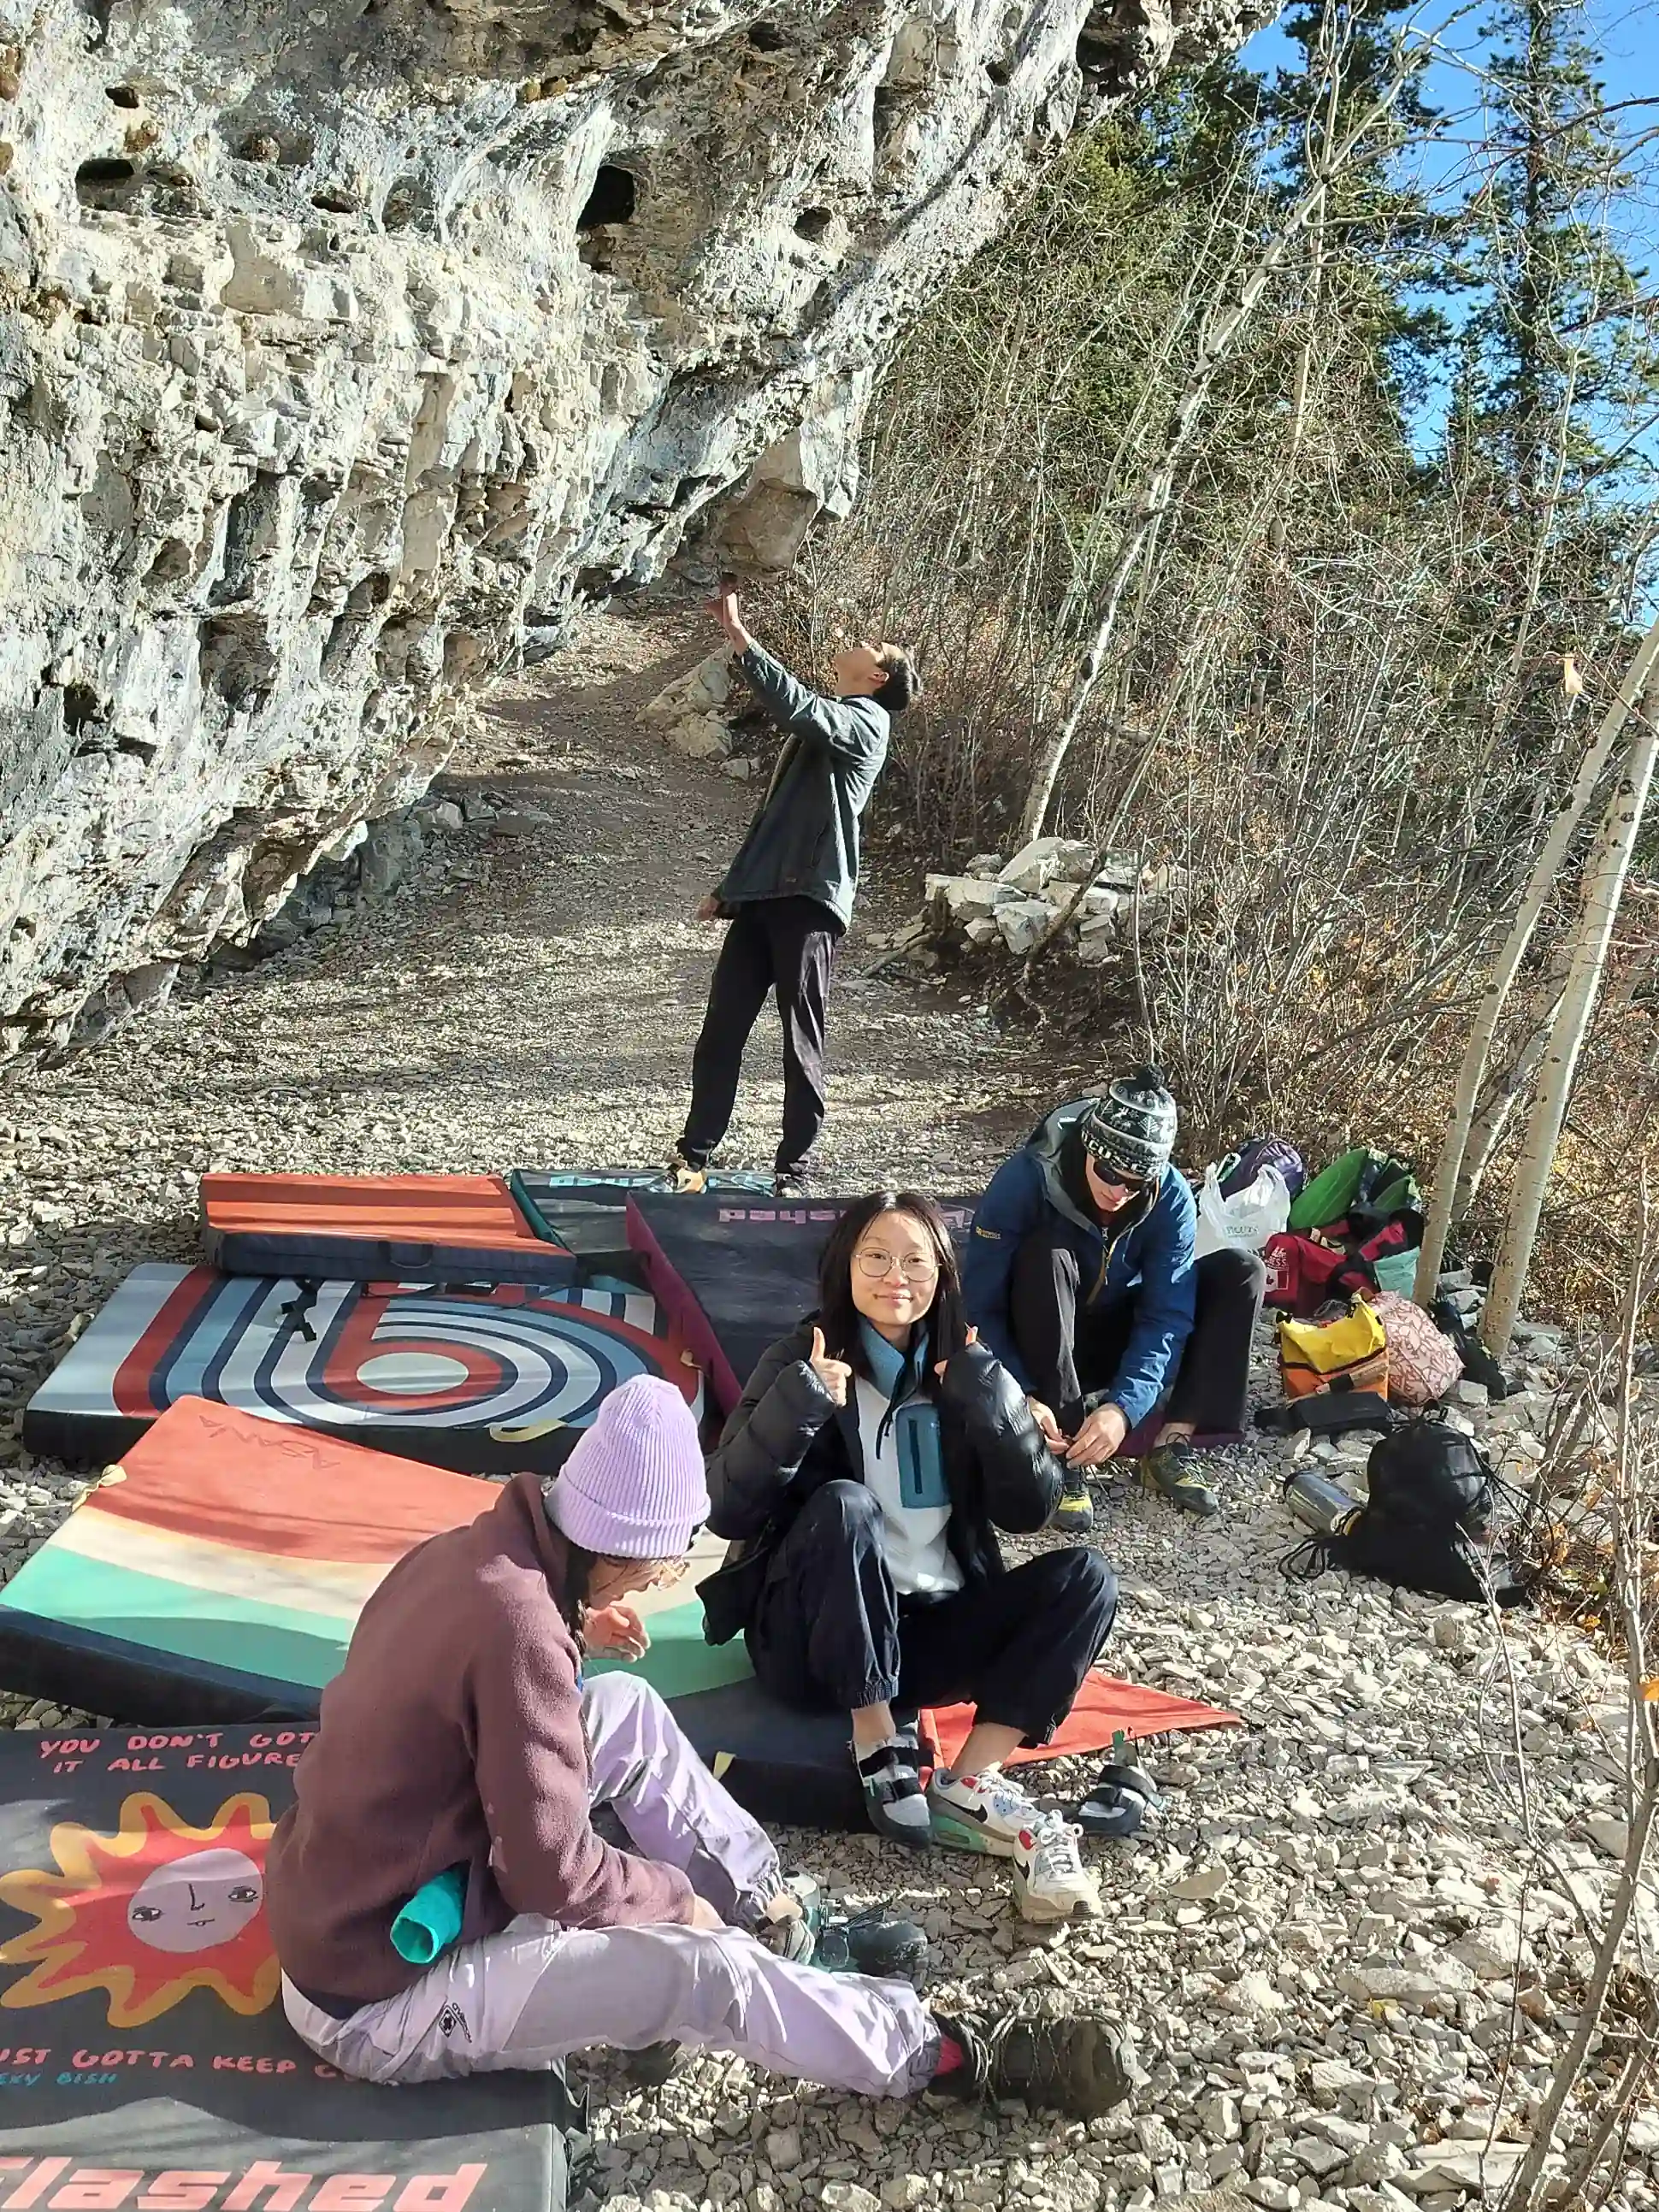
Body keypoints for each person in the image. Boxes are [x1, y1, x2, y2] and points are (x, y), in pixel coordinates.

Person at [265, 1376, 1131, 2118]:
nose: (661, 1579)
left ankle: (775, 1914)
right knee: (702, 1966)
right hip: (378, 1999)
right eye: (666, 1559)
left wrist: (575, 1622)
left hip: (380, 1884)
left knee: (622, 1708)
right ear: (631, 1543)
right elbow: (549, 1875)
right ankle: (940, 2055)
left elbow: (487, 1668)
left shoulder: (476, 1558)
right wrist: (673, 1902)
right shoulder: (519, 1628)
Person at [701, 1191, 1118, 1923]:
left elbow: (1032, 1510)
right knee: (845, 1504)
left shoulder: (968, 1364)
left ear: (942, 1274)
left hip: (926, 1633)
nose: (897, 1276)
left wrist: (993, 1401)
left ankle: (970, 1781)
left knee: (1086, 1577)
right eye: (876, 1257)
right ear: (845, 1268)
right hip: (813, 1642)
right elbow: (726, 1504)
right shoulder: (803, 1357)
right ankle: (874, 1739)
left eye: (916, 1260)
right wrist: (801, 1403)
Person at [670, 585, 919, 1200]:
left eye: (873, 643)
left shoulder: (867, 722)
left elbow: (801, 708)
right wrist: (731, 891)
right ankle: (693, 1156)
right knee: (721, 1029)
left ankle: (796, 1171)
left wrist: (741, 638)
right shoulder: (843, 719)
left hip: (810, 902)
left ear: (877, 674)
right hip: (765, 900)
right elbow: (776, 820)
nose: (858, 639)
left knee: (800, 1037)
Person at [961, 1068, 1267, 1532]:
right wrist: (1018, 1391)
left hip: (1112, 1329)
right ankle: (1065, 1443)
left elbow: (1167, 1314)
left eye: (1135, 1183)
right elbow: (979, 1304)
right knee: (1046, 1255)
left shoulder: (1171, 1199)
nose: (1117, 1192)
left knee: (1241, 1271)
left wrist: (1124, 1408)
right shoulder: (1026, 1179)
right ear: (1088, 1147)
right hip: (1040, 1329)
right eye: (1107, 1172)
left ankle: (1172, 1441)